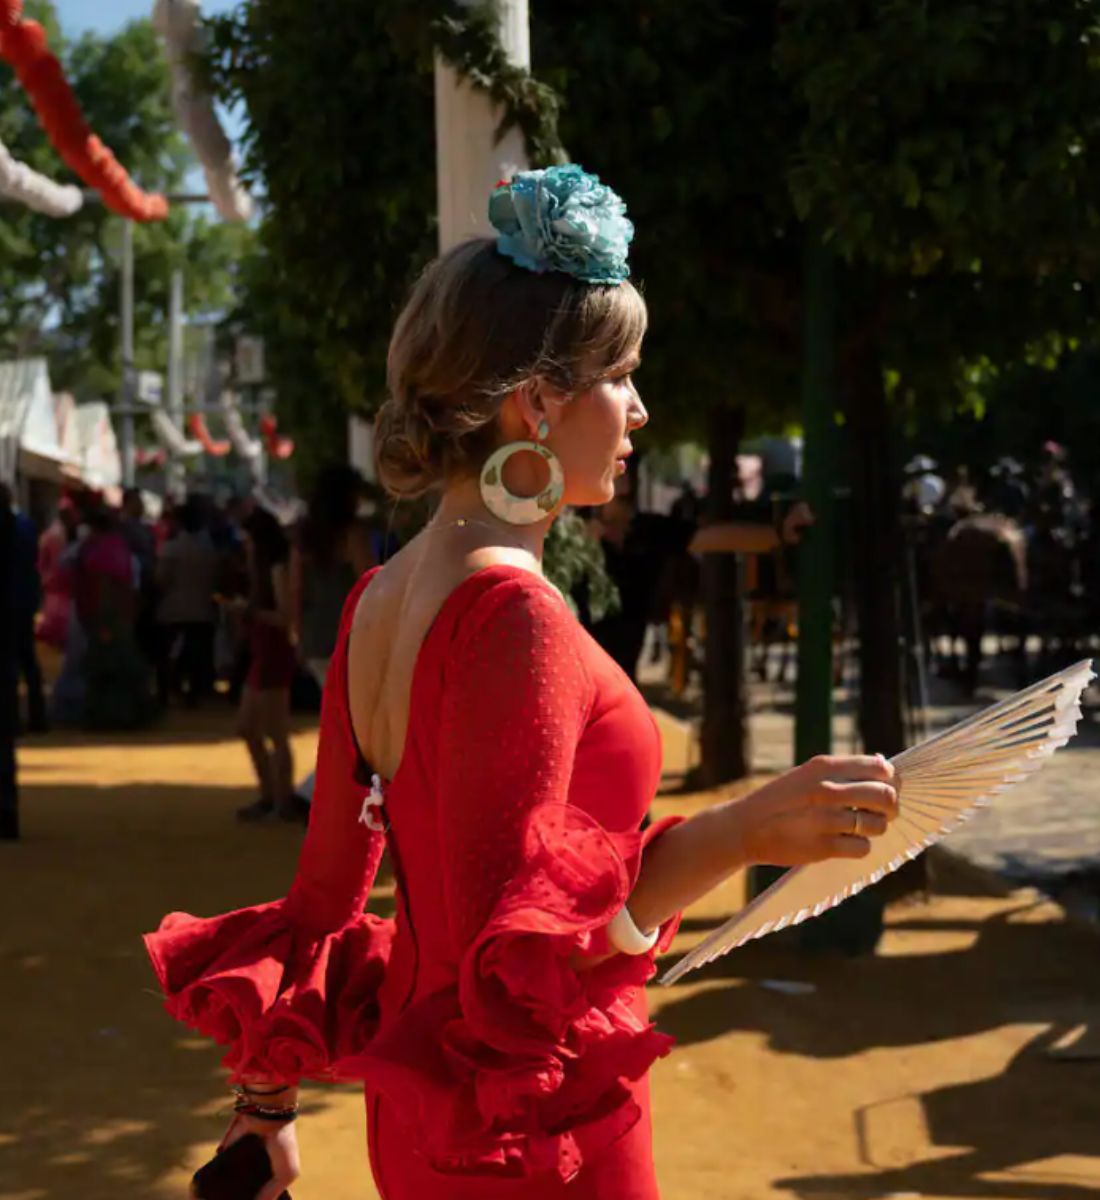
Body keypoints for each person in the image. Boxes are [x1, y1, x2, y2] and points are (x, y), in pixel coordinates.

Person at [144, 166, 898, 1200]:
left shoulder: (381, 593)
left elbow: (322, 897)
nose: (637, 409)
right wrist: (738, 833)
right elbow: (529, 962)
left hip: (427, 1122)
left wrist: (266, 1106)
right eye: (622, 374)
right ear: (539, 401)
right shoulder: (514, 614)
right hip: (529, 1136)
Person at [289, 465, 377, 802]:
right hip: (350, 634)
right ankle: (318, 789)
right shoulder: (352, 534)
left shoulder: (305, 535)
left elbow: (296, 590)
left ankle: (323, 788)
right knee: (352, 721)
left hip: (316, 633)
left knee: (340, 717)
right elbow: (370, 581)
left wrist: (297, 635)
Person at [232, 507, 300, 822]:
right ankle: (270, 795)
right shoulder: (261, 570)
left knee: (275, 731)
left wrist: (249, 613)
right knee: (248, 727)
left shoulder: (275, 568)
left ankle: (281, 801)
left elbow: (286, 616)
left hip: (273, 649)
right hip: (263, 649)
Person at [155, 497, 219, 708]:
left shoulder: (171, 549)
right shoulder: (209, 550)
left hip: (173, 611)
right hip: (203, 610)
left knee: (168, 655)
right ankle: (195, 693)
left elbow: (161, 580)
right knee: (197, 657)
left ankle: (168, 692)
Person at [2, 484, 47, 732]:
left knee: (11, 664)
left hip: (13, 601)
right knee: (28, 662)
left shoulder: (22, 528)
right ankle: (37, 716)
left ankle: (12, 718)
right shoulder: (26, 527)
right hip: (23, 601)